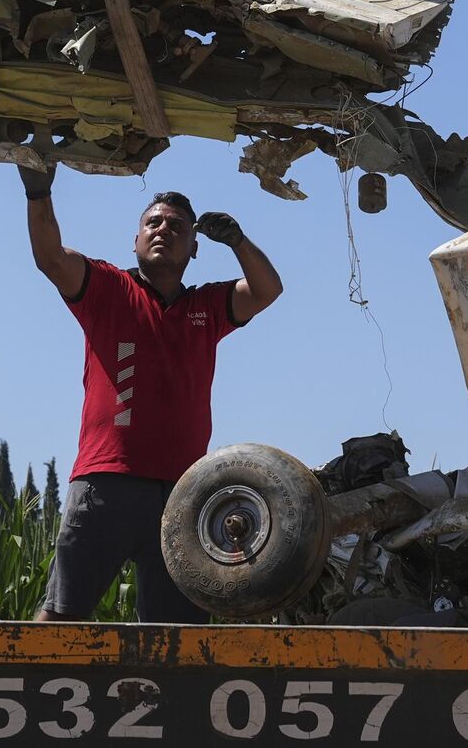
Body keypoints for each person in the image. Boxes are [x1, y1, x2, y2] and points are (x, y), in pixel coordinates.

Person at [20, 161, 284, 622]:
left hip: (183, 494)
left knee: (176, 633)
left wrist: (238, 241)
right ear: (136, 240)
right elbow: (51, 259)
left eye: (178, 226)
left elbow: (266, 290)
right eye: (153, 223)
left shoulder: (206, 306)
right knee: (61, 617)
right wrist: (38, 192)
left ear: (195, 248)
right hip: (107, 484)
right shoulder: (107, 288)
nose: (164, 230)